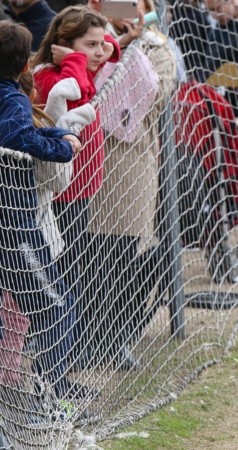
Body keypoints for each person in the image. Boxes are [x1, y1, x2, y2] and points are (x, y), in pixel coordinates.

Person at [84, 0, 177, 371]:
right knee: (85, 257)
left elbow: (143, 105)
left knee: (122, 257)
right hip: (81, 162)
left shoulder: (156, 47)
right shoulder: (80, 34)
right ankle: (80, 339)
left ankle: (114, 338)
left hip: (129, 165)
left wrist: (125, 45)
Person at [0, 19, 89, 402]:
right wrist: (63, 147)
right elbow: (16, 137)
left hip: (15, 224)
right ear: (24, 66)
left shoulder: (13, 99)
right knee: (55, 308)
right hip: (14, 228)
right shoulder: (12, 98)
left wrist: (54, 132)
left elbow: (25, 129)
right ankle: (47, 394)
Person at [31, 5, 120, 366]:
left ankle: (68, 356)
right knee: (63, 281)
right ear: (64, 45)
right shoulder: (51, 76)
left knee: (77, 275)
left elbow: (112, 45)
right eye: (91, 45)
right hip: (59, 195)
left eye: (101, 45)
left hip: (81, 192)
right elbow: (78, 93)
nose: (102, 52)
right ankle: (55, 365)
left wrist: (96, 44)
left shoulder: (82, 65)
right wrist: (74, 62)